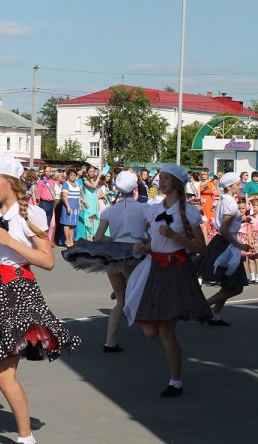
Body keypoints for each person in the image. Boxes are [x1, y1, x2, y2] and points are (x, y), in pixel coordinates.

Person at [0, 155, 80, 444]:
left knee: (3, 375)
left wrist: (13, 243)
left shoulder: (31, 215)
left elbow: (48, 261)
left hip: (17, 293)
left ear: (11, 183)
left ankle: (26, 438)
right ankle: (3, 354)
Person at [123, 164, 212, 398]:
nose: (160, 182)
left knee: (165, 330)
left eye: (165, 178)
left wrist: (175, 236)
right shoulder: (153, 209)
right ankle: (175, 379)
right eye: (159, 177)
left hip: (175, 270)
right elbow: (152, 243)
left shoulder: (189, 211)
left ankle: (176, 381)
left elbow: (201, 247)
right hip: (154, 268)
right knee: (150, 331)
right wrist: (143, 247)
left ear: (176, 182)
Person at [62, 170, 148, 352]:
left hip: (114, 254)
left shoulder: (110, 209)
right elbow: (149, 233)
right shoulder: (144, 208)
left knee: (120, 300)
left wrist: (115, 240)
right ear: (135, 189)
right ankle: (150, 327)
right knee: (137, 293)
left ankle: (110, 341)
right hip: (134, 253)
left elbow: (99, 237)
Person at [195, 172, 250, 325]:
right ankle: (204, 307)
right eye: (238, 184)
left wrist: (240, 219)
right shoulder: (230, 203)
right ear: (229, 186)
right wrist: (240, 245)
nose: (240, 187)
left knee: (229, 284)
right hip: (226, 243)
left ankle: (215, 316)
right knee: (235, 287)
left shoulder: (224, 200)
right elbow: (225, 229)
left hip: (223, 241)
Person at [60, 167, 84, 247]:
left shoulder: (77, 184)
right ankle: (67, 240)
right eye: (71, 175)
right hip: (68, 205)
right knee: (67, 224)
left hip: (75, 206)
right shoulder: (66, 184)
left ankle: (71, 240)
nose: (73, 176)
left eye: (74, 175)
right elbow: (64, 196)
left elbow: (78, 196)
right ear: (68, 176)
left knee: (72, 224)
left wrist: (80, 205)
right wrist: (68, 207)